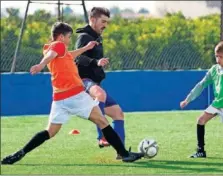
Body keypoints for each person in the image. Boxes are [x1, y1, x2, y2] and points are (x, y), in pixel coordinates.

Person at [1, 22, 144, 165]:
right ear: (61, 37)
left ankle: (19, 154)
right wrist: (41, 65)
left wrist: (86, 48)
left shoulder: (58, 50)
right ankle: (124, 154)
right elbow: (51, 55)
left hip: (59, 99)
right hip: (75, 96)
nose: (70, 40)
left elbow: (69, 55)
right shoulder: (58, 45)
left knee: (49, 132)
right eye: (69, 37)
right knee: (102, 121)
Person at [180, 41, 223, 160]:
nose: (217, 59)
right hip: (217, 103)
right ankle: (200, 150)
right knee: (200, 120)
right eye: (216, 56)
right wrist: (188, 99)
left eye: (220, 57)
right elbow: (201, 85)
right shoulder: (213, 70)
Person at [75, 7, 125, 150]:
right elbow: (78, 57)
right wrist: (95, 62)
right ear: (92, 20)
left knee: (118, 113)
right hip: (83, 82)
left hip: (94, 83)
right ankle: (103, 136)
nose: (105, 25)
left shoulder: (97, 37)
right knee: (100, 94)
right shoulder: (84, 37)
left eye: (107, 22)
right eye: (103, 21)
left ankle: (122, 152)